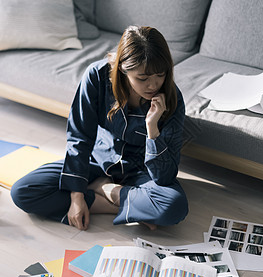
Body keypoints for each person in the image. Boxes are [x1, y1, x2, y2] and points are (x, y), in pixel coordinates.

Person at [11, 26, 188, 231]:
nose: (153, 85)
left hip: (140, 171)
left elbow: (164, 177)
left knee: (174, 207)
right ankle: (124, 207)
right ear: (123, 68)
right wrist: (77, 197)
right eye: (143, 78)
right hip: (97, 161)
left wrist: (152, 129)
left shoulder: (172, 99)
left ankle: (103, 189)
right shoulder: (97, 76)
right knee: (23, 191)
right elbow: (79, 136)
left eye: (160, 74)